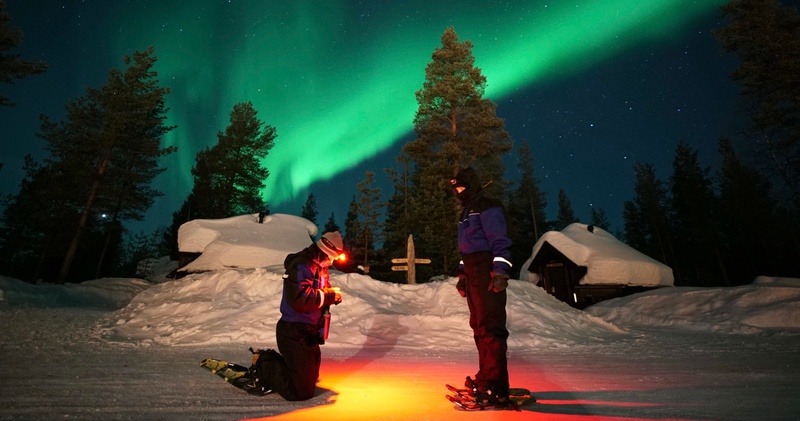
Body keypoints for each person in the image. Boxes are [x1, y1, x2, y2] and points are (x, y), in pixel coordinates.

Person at [246, 231, 345, 400]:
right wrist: (328, 295)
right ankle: (264, 363)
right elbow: (298, 300)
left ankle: (285, 367)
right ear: (327, 251)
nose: (333, 261)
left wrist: (332, 295)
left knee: (309, 381)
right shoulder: (302, 265)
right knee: (300, 392)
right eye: (333, 257)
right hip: (293, 331)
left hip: (309, 332)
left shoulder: (320, 267)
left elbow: (318, 292)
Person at [449, 167, 513, 406]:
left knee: (491, 328)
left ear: (473, 185)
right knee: (479, 327)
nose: (459, 192)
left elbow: (500, 239)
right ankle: (485, 378)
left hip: (487, 269)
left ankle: (497, 387)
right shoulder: (466, 212)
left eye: (462, 187)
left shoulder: (487, 206)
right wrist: (462, 274)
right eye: (456, 189)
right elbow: (465, 247)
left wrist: (500, 272)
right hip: (473, 270)